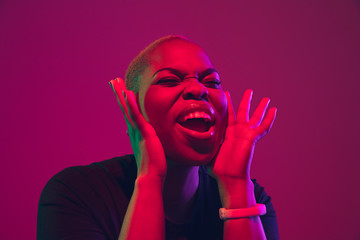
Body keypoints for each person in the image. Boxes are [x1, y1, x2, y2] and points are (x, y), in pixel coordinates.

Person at [37, 35, 279, 240]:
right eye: (169, 80)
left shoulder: (252, 197)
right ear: (131, 106)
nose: (199, 89)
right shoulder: (76, 194)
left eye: (211, 81)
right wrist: (150, 177)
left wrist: (236, 185)